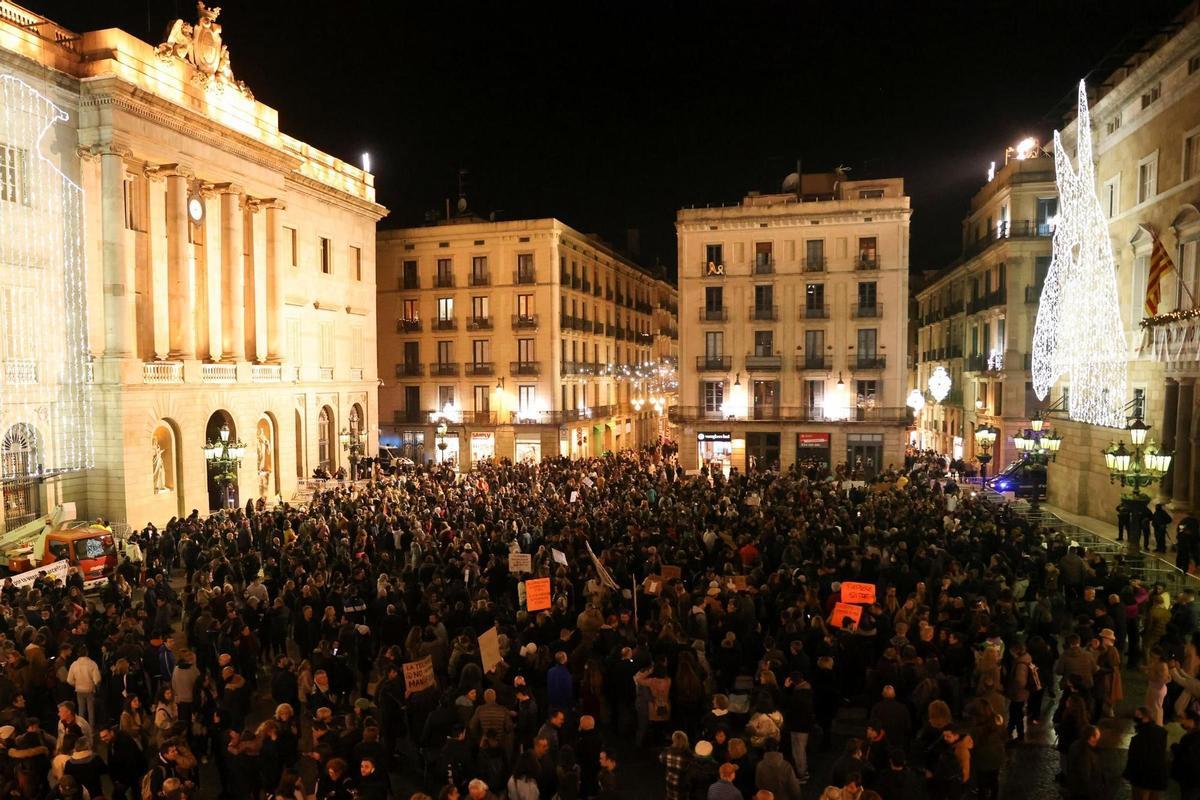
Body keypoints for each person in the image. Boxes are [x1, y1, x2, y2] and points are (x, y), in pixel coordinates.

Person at [1123, 706, 1168, 800]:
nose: (1135, 718)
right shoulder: (1162, 732)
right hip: (1156, 777)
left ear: (1146, 717)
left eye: (1138, 715)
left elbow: (1133, 759)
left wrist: (1129, 774)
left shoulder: (1138, 738)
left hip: (1141, 778)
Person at [65, 646, 101, 724]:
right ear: (87, 653)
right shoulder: (92, 663)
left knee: (81, 710)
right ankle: (91, 729)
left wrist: (76, 684)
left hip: (79, 690)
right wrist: (95, 685)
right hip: (89, 689)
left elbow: (69, 680)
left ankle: (81, 728)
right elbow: (97, 679)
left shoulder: (74, 664)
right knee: (90, 710)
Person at [1065, 726, 1103, 800]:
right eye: (1098, 734)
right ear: (1091, 737)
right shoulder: (1085, 754)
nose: (1100, 736)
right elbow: (1085, 776)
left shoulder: (1076, 744)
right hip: (1083, 792)